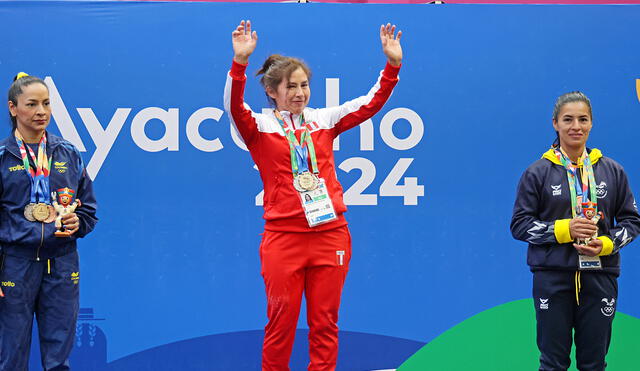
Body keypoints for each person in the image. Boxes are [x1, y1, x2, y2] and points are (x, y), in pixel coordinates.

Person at [223, 20, 402, 371]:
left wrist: (392, 66)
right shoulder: (259, 128)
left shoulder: (324, 119)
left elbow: (370, 103)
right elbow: (232, 105)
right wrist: (239, 63)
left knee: (325, 325)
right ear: (273, 91)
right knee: (281, 326)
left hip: (330, 235)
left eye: (304, 86)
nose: (300, 93)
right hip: (283, 238)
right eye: (291, 87)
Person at [511, 91, 640, 371]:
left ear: (592, 123)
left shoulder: (612, 171)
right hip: (552, 277)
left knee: (594, 364)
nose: (576, 126)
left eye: (583, 119)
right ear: (555, 123)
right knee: (553, 363)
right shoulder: (538, 173)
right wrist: (565, 229)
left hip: (600, 276)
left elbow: (633, 222)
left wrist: (606, 244)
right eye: (568, 119)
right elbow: (520, 225)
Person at [0, 73, 98, 370]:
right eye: (32, 104)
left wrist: (77, 224)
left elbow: (88, 209)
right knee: (11, 357)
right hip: (15, 264)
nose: (41, 111)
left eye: (46, 103)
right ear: (13, 108)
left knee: (58, 359)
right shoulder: (3, 157)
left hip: (62, 262)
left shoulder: (67, 153)